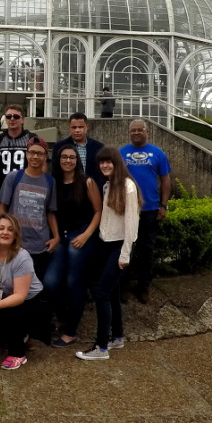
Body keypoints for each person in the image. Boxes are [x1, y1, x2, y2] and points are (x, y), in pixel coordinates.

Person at [75, 147, 141, 361]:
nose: (104, 165)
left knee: (102, 293)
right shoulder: (107, 185)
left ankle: (101, 347)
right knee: (111, 292)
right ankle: (117, 337)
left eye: (108, 162)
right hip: (106, 244)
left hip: (120, 246)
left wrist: (125, 254)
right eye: (101, 162)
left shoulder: (128, 186)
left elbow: (132, 223)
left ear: (117, 163)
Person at [0, 213, 49, 370]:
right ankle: (16, 336)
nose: (5, 232)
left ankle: (18, 354)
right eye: (1, 228)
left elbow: (20, 296)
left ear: (15, 234)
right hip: (6, 300)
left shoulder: (22, 257)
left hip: (32, 302)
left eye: (10, 230)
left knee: (14, 314)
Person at [45, 144, 102, 347]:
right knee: (50, 282)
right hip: (61, 236)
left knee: (72, 282)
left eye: (72, 157)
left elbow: (98, 211)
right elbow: (50, 212)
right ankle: (64, 315)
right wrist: (56, 235)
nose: (68, 160)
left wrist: (87, 235)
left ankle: (71, 330)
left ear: (77, 160)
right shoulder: (54, 183)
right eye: (64, 157)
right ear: (58, 161)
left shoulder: (87, 182)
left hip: (81, 234)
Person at [119, 119, 171, 304]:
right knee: (126, 249)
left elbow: (165, 180)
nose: (136, 133)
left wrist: (163, 205)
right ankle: (123, 286)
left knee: (146, 251)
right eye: (133, 130)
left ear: (146, 131)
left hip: (149, 211)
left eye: (140, 129)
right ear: (129, 132)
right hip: (126, 211)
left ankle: (143, 288)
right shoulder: (121, 153)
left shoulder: (157, 153)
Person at [0, 137, 59, 281]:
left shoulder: (50, 182)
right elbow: (2, 206)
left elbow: (50, 211)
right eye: (32, 153)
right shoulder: (14, 177)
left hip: (39, 245)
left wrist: (56, 237)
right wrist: (2, 232)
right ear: (26, 154)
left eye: (39, 153)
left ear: (45, 156)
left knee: (34, 286)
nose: (35, 157)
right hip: (15, 243)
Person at [0, 104, 37, 199]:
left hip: (26, 190)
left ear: (22, 120)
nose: (12, 119)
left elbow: (41, 164)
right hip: (3, 189)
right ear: (5, 119)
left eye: (16, 117)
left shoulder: (31, 139)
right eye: (8, 117)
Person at [51, 112, 105, 186]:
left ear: (87, 127)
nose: (77, 130)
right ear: (69, 127)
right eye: (74, 127)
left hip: (93, 190)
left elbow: (101, 173)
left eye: (80, 127)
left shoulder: (99, 147)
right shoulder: (59, 147)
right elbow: (55, 172)